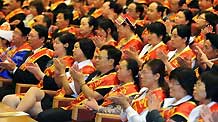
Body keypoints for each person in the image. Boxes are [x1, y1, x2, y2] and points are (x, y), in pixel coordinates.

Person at [37, 45, 122, 122]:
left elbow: (92, 96)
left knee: (44, 116)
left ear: (111, 61)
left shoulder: (112, 78)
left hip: (86, 112)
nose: (96, 60)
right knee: (41, 114)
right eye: (96, 57)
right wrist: (76, 79)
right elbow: (79, 92)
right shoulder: (96, 73)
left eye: (99, 58)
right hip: (75, 105)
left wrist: (81, 81)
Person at [0, 24, 54, 100]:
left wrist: (14, 69)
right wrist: (11, 68)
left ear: (42, 39)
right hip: (14, 85)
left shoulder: (45, 56)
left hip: (25, 89)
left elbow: (31, 79)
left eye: (32, 36)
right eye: (28, 35)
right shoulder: (30, 53)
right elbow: (21, 73)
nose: (29, 38)